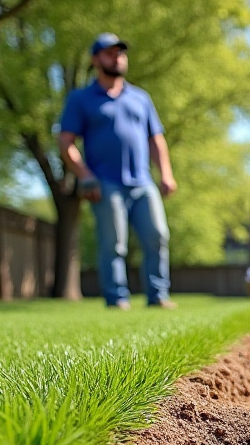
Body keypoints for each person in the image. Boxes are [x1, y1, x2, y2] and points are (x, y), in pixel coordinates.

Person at [58, 33, 178, 309]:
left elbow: (156, 139)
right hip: (105, 182)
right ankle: (117, 298)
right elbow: (66, 142)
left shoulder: (140, 98)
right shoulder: (82, 99)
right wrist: (85, 175)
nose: (117, 57)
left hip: (142, 181)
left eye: (120, 53)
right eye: (110, 53)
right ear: (95, 60)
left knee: (158, 236)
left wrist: (166, 174)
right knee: (114, 243)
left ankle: (158, 295)